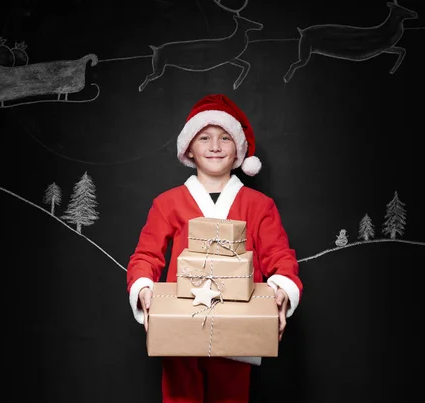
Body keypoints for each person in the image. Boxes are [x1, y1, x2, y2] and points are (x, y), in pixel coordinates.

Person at [126, 93, 303, 403]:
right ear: (189, 149)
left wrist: (283, 292)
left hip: (239, 324)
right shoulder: (167, 203)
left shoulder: (259, 205)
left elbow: (280, 257)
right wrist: (142, 288)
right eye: (204, 137)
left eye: (225, 137)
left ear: (238, 149)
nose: (215, 146)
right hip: (180, 323)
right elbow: (146, 256)